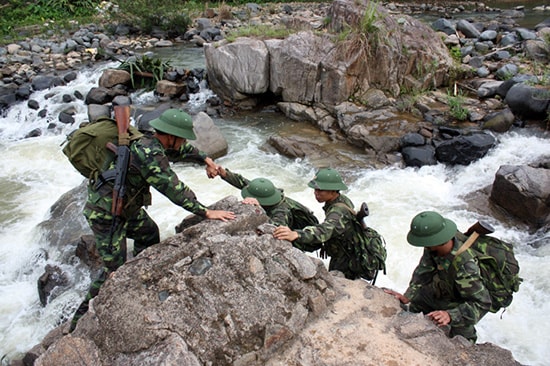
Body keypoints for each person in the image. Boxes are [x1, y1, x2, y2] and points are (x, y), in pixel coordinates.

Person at [69, 108, 235, 331]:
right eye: (181, 136)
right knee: (112, 270)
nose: (183, 141)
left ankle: (137, 278)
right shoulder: (149, 154)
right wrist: (205, 212)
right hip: (106, 214)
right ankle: (77, 322)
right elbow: (172, 187)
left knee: (148, 233)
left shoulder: (151, 141)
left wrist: (205, 159)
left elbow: (181, 150)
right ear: (170, 135)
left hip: (126, 207)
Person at [384, 211, 492, 343]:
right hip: (439, 290)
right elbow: (423, 271)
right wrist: (408, 296)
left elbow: (482, 303)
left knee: (462, 342)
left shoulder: (465, 266)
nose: (424, 246)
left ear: (437, 240)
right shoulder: (432, 247)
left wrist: (450, 315)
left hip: (459, 303)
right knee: (412, 311)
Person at [273, 167, 365, 280]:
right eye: (315, 189)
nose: (316, 193)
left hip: (347, 258)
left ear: (333, 191)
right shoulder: (341, 199)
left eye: (320, 190)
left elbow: (324, 231)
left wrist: (296, 234)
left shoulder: (338, 211)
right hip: (346, 251)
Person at [214, 166, 318, 229]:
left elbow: (274, 229)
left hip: (295, 237)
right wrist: (224, 173)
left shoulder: (281, 211)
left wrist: (258, 208)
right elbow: (243, 183)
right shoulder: (267, 192)